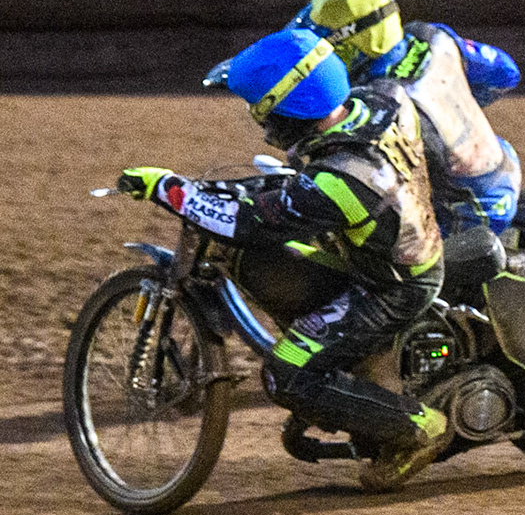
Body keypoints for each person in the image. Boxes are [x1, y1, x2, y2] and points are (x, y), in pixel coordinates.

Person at [122, 28, 450, 491]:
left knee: (286, 375)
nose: (261, 123)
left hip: (392, 286)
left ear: (289, 108)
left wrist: (166, 188)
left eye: (263, 110)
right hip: (402, 238)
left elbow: (248, 221)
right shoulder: (384, 99)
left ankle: (419, 428)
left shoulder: (342, 183)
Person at [293, 0, 523, 236]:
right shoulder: (428, 36)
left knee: (367, 237)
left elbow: (379, 180)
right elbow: (505, 73)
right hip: (502, 161)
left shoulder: (379, 102)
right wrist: (456, 109)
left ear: (355, 39)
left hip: (469, 210)